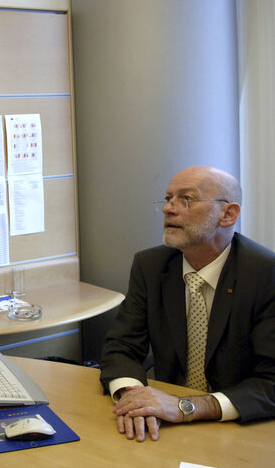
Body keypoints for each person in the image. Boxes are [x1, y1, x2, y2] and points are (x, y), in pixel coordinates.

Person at [99, 165, 275, 443]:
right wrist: (136, 400)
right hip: (163, 423)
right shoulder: (151, 266)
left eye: (186, 199)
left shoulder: (265, 274)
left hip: (238, 426)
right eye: (168, 199)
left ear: (228, 214)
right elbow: (121, 348)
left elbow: (271, 382)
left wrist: (186, 408)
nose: (169, 209)